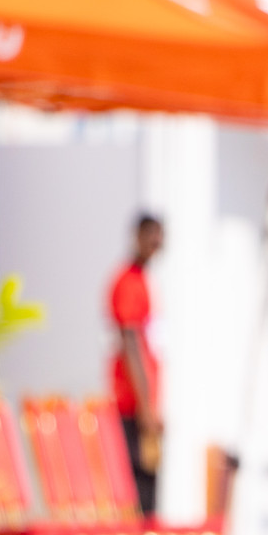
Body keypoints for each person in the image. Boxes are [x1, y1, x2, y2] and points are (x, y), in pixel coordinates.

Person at [109, 213, 164, 516]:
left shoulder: (145, 280)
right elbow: (130, 344)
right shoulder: (127, 281)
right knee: (139, 489)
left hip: (147, 406)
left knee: (151, 483)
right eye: (150, 234)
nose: (156, 241)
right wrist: (145, 406)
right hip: (132, 406)